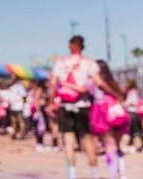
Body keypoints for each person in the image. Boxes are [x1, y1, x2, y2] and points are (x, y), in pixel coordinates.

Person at [49, 35, 114, 179]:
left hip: (64, 106)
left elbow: (53, 84)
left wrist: (51, 102)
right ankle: (94, 174)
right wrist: (114, 93)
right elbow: (99, 83)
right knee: (87, 140)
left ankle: (71, 175)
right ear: (82, 46)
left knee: (69, 142)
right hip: (82, 106)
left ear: (71, 46)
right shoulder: (88, 63)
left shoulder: (60, 62)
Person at [89, 60, 129, 179]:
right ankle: (122, 173)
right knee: (116, 146)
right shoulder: (114, 83)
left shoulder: (96, 83)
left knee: (109, 147)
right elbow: (123, 93)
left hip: (103, 117)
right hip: (119, 116)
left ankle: (113, 175)